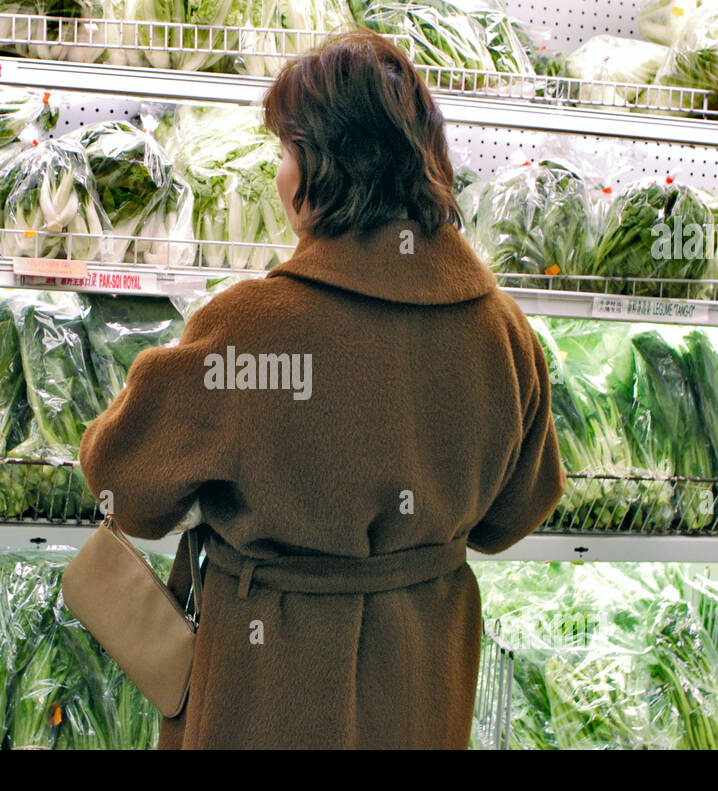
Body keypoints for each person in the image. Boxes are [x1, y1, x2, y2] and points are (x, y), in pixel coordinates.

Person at [79, 29, 565, 750]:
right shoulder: (502, 331)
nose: (280, 174)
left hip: (265, 686)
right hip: (422, 686)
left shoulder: (247, 326)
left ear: (325, 167)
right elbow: (515, 513)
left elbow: (125, 485)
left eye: (285, 151)